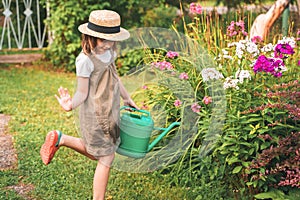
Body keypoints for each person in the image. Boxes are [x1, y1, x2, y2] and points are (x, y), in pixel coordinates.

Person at [40, 10, 138, 200]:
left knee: (97, 153)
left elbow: (115, 78)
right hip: (95, 115)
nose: (108, 44)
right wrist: (70, 105)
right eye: (103, 40)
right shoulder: (84, 60)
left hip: (111, 111)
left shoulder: (109, 52)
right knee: (106, 157)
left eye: (111, 40)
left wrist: (127, 97)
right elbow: (82, 92)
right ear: (90, 37)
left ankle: (61, 138)